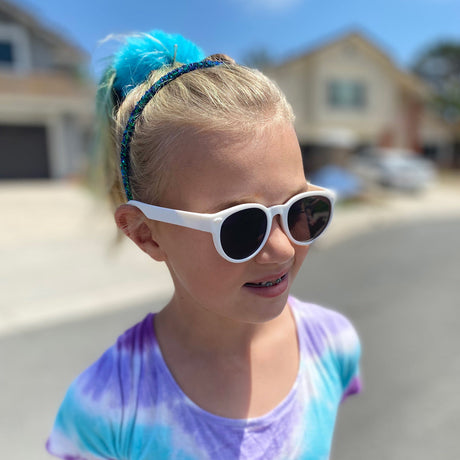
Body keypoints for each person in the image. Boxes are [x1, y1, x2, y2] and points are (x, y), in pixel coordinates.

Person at [46, 30, 361, 460]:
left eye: (301, 209)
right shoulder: (106, 409)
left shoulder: (332, 346)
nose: (284, 249)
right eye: (241, 226)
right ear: (145, 233)